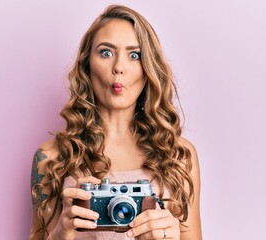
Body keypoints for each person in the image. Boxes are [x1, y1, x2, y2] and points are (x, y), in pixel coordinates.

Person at [30, 4, 202, 240]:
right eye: (106, 52)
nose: (119, 68)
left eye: (135, 55)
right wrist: (61, 234)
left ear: (148, 68)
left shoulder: (179, 155)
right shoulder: (51, 158)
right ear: (86, 64)